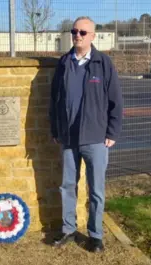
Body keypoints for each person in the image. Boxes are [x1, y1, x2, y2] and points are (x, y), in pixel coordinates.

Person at [49, 16, 123, 253]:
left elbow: (116, 102)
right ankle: (68, 229)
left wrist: (112, 131)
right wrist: (55, 128)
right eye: (74, 31)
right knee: (67, 186)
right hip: (69, 138)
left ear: (92, 36)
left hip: (96, 138)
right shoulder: (63, 63)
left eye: (82, 32)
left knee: (96, 190)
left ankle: (95, 235)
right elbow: (55, 100)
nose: (77, 36)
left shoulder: (103, 63)